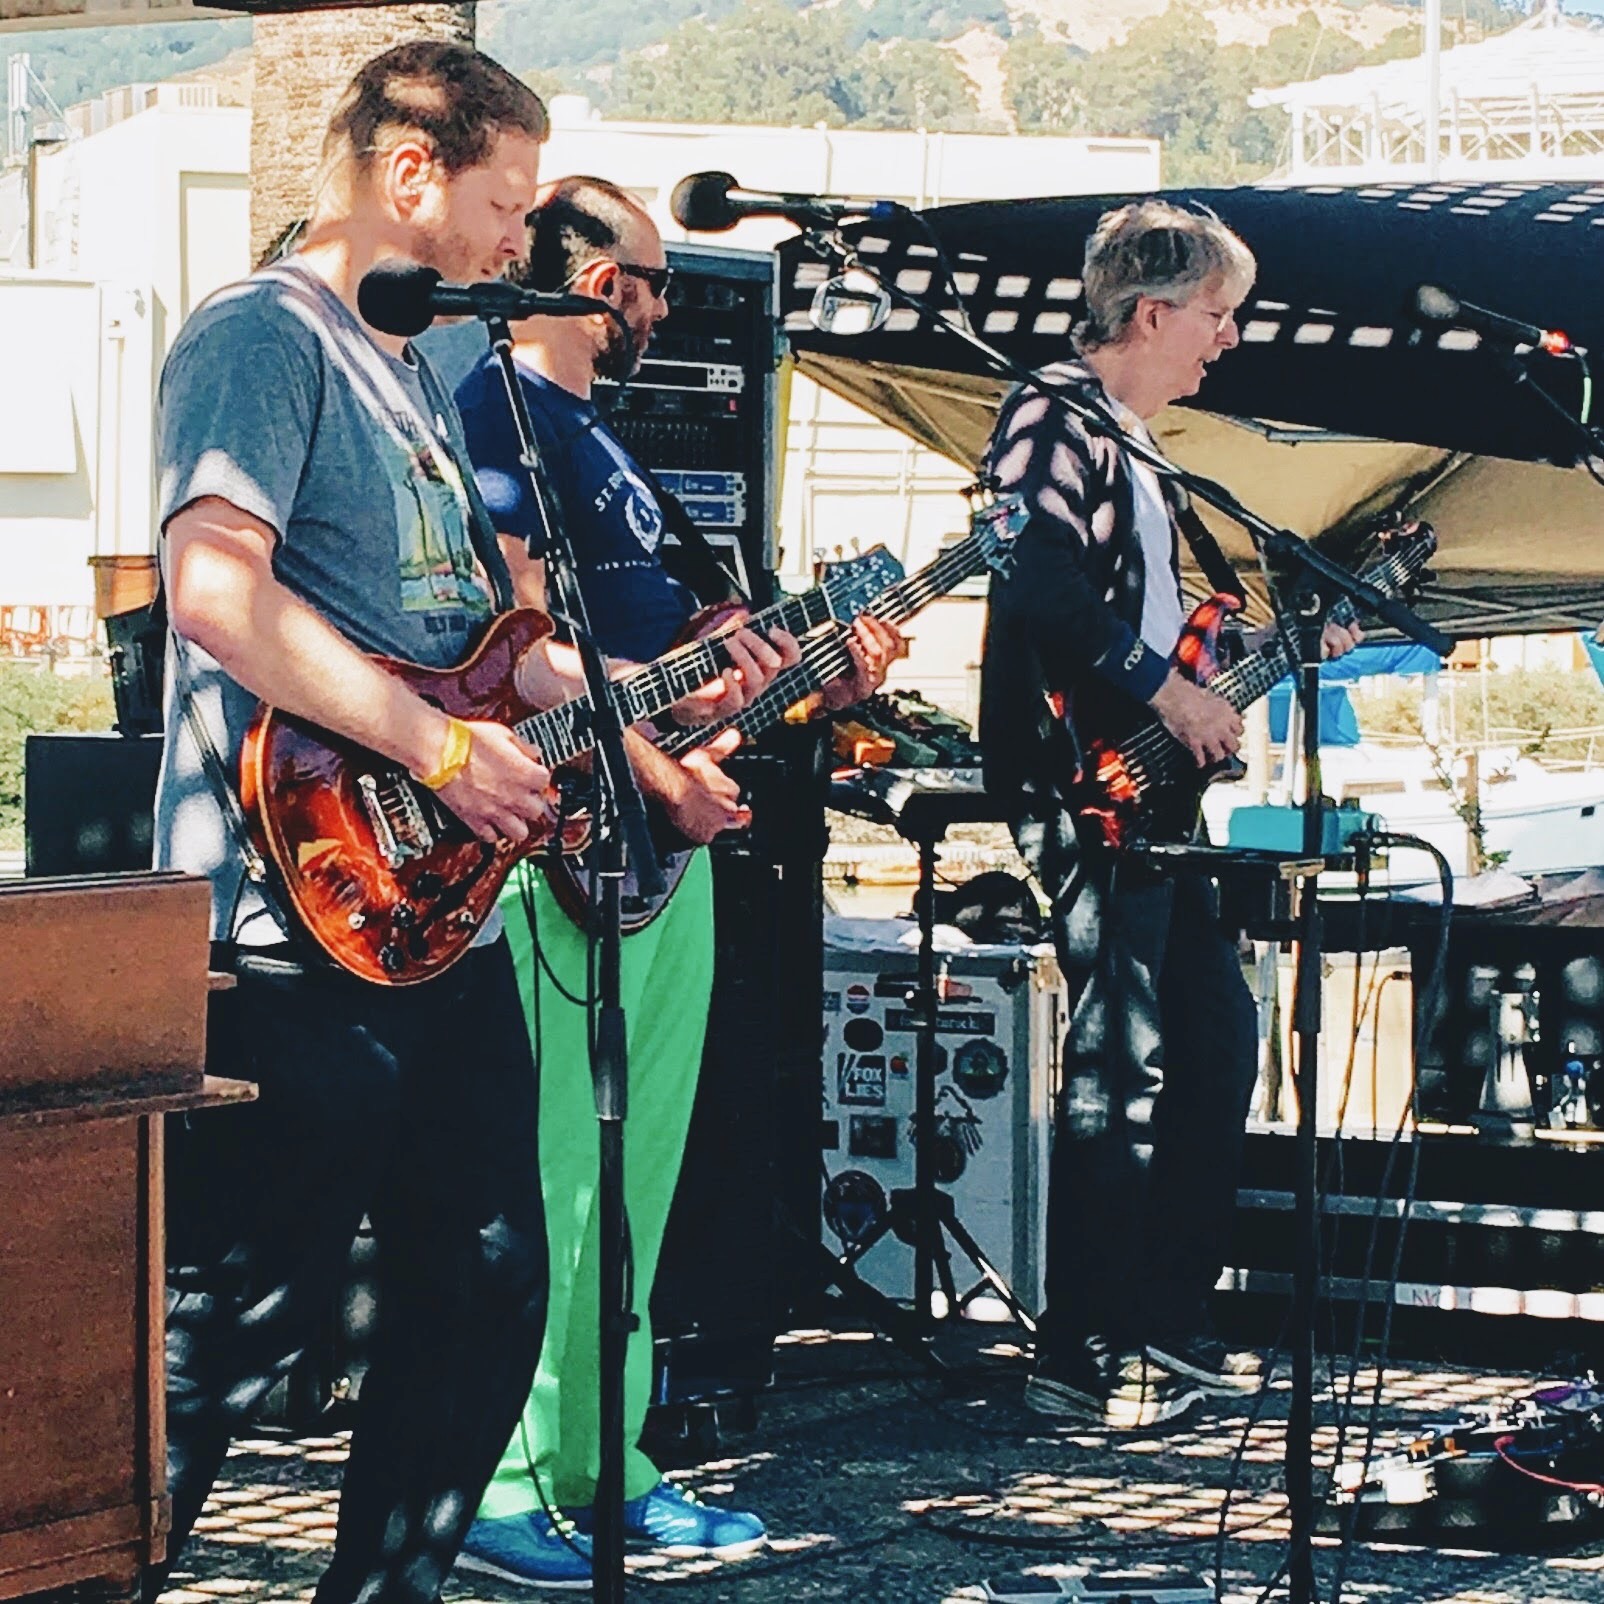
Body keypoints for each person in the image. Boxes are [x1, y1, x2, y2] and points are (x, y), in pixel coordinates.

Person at [148, 48, 787, 1604]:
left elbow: (506, 642)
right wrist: (435, 747)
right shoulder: (261, 334)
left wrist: (655, 712)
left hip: (444, 916)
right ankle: (95, 1568)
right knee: (239, 1316)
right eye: (507, 205)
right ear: (411, 174)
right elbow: (215, 590)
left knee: (492, 1276)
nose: (523, 244)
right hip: (291, 906)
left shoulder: (420, 371)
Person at [447, 175, 901, 1587]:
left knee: (632, 1187)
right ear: (593, 284)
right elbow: (507, 648)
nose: (660, 304)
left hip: (663, 839)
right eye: (648, 277)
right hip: (560, 842)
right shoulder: (495, 417)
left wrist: (804, 665)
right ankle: (506, 1480)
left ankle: (604, 1468)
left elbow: (682, 663)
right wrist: (654, 774)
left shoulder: (607, 442)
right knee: (554, 1179)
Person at [979, 198, 1362, 1429]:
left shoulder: (1136, 446)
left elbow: (1153, 632)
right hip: (1078, 781)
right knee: (1122, 1048)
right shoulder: (1051, 410)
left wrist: (1263, 645)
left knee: (1207, 1040)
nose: (1227, 339)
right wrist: (1168, 691)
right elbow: (1029, 574)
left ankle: (1164, 1317)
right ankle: (1078, 1342)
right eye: (1215, 313)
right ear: (1149, 312)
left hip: (1142, 784)